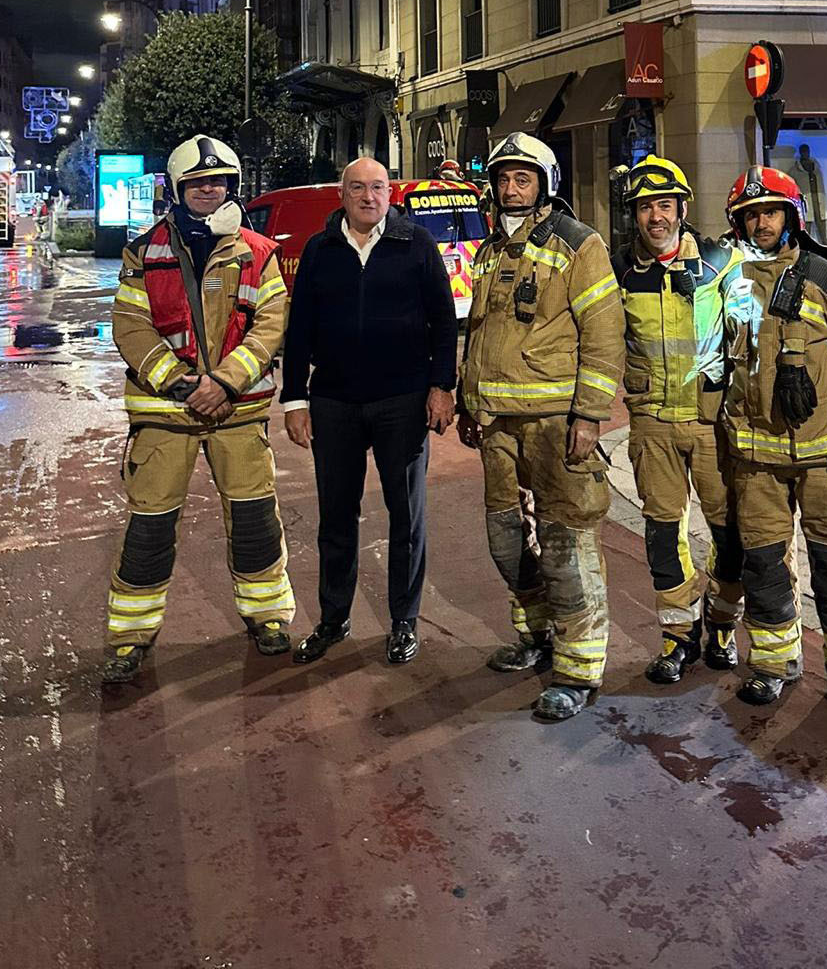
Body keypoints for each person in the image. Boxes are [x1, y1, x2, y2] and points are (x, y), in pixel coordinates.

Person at [102, 135, 292, 683]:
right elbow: (130, 326)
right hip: (165, 414)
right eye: (199, 182)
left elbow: (272, 324)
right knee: (150, 528)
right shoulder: (145, 250)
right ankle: (130, 638)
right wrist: (183, 384)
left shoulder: (259, 252)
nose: (211, 190)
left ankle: (269, 617)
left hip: (238, 412)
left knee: (256, 522)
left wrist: (226, 384)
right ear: (178, 188)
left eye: (220, 182)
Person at [456, 131, 624, 722]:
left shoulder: (580, 245)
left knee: (567, 544)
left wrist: (589, 414)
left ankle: (578, 670)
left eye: (522, 178)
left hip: (556, 426)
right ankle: (536, 635)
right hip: (497, 426)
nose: (510, 187)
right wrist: (466, 400)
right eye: (503, 178)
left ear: (545, 183)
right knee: (506, 539)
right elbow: (479, 331)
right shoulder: (490, 249)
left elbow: (604, 335)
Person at [719, 166, 827, 725]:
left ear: (793, 218)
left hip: (825, 459)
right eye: (751, 214)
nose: (761, 222)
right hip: (755, 460)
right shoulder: (727, 282)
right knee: (764, 568)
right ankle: (772, 662)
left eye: (771, 212)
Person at [282, 158, 458, 667]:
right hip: (334, 401)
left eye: (377, 187)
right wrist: (295, 398)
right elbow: (300, 332)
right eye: (357, 188)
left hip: (400, 401)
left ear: (389, 193)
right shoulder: (320, 250)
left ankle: (404, 620)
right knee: (335, 518)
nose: (368, 196)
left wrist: (440, 387)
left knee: (407, 516)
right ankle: (333, 619)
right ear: (342, 195)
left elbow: (444, 324)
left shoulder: (415, 245)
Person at [612, 155, 744, 682]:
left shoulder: (722, 263)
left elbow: (751, 336)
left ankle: (722, 624)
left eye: (664, 205)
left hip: (712, 422)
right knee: (663, 535)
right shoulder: (621, 270)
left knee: (730, 533)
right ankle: (678, 636)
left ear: (683, 208)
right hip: (652, 425)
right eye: (645, 208)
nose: (655, 217)